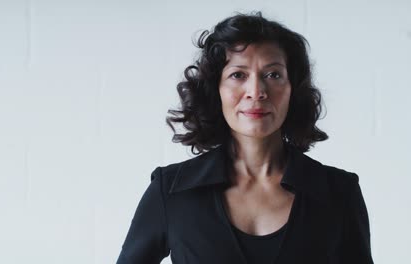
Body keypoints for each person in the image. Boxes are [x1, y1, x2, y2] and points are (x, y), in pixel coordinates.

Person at [117, 11, 374, 264]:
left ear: (292, 89)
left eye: (273, 75)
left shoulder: (339, 193)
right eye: (238, 75)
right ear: (215, 89)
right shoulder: (171, 191)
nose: (256, 91)